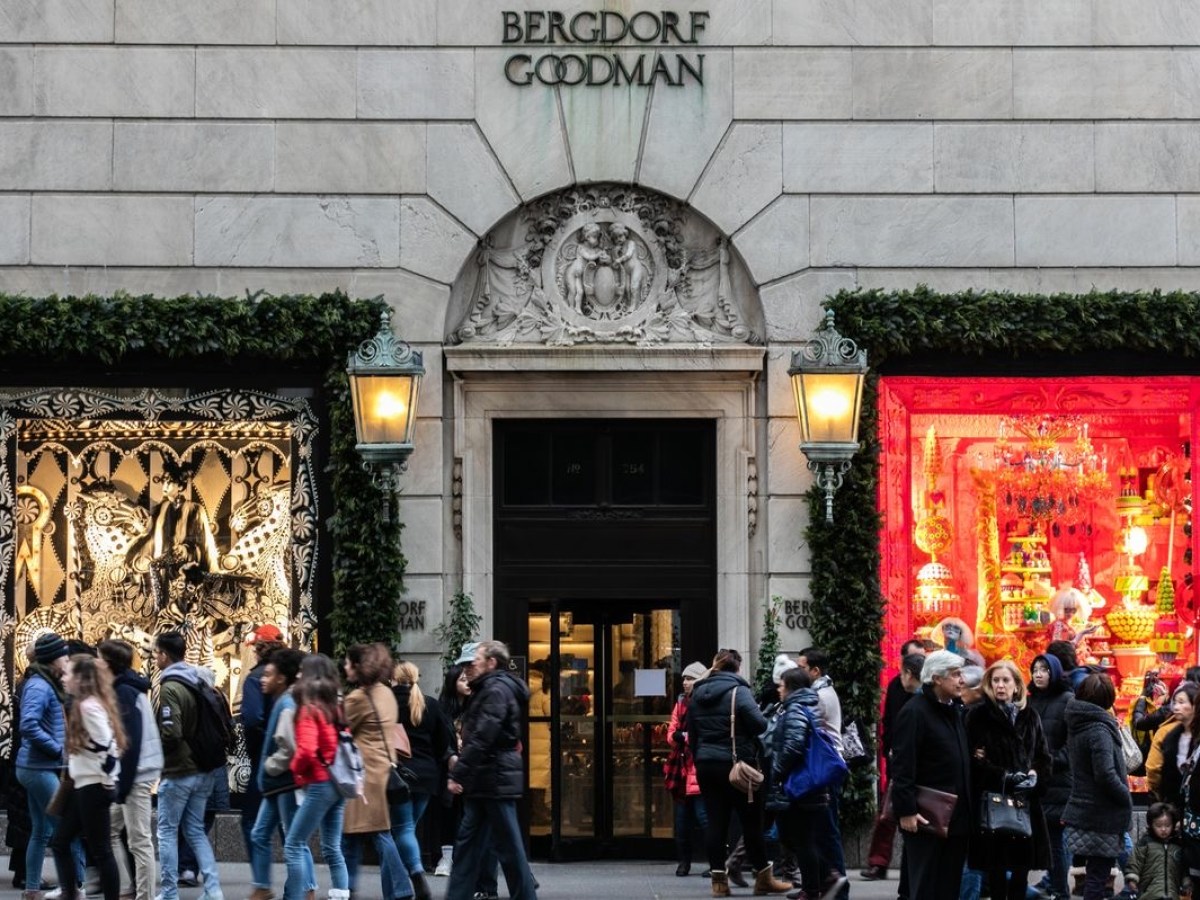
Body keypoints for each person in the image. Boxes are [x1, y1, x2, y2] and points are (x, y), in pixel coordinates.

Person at [689, 648, 791, 898]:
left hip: (706, 765)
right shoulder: (739, 691)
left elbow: (692, 733)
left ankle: (719, 883)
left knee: (716, 822)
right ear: (736, 668)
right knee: (752, 822)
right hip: (737, 766)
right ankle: (763, 877)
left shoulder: (697, 692)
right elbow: (760, 725)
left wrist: (702, 755)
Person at [445, 640, 538, 900]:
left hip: (494, 779)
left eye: (475, 661)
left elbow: (483, 737)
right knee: (469, 846)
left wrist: (458, 773)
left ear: (491, 662)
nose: (469, 667)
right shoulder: (490, 688)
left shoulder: (496, 691)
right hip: (486, 779)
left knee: (507, 848)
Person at [965, 660, 1051, 900]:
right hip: (994, 803)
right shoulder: (978, 716)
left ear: (1016, 685)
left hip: (1025, 802)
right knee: (996, 871)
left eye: (1005, 680)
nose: (1000, 686)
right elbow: (973, 761)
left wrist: (1035, 775)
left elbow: (1043, 756)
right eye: (995, 681)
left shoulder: (1030, 715)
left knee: (1022, 870)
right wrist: (1004, 777)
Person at [890, 649, 972, 900]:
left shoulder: (954, 709)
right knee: (925, 885)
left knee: (949, 885)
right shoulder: (915, 711)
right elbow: (902, 766)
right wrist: (905, 810)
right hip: (926, 817)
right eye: (956, 674)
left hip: (956, 818)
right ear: (937, 678)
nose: (962, 680)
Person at [49, 654, 126, 900]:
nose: (64, 677)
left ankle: (74, 893)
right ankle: (71, 893)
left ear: (81, 679)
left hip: (94, 786)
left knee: (100, 849)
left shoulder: (88, 706)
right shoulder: (90, 703)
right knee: (62, 842)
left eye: (69, 673)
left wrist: (106, 776)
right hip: (88, 784)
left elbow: (107, 745)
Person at [153, 630, 223, 900]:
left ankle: (169, 892)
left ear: (165, 655)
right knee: (195, 829)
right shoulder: (198, 681)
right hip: (205, 768)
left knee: (167, 831)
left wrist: (159, 755)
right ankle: (213, 889)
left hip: (180, 770)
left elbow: (171, 732)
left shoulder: (171, 686)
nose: (154, 658)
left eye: (156, 653)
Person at [341, 643, 412, 900]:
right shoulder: (385, 693)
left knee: (363, 834)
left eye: (349, 662)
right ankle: (350, 889)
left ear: (359, 667)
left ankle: (348, 889)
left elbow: (338, 724)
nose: (345, 666)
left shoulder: (359, 698)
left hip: (362, 774)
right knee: (368, 833)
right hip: (382, 768)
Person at [99, 639, 162, 900]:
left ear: (109, 663)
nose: (96, 663)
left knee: (139, 840)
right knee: (111, 832)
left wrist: (122, 786)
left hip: (136, 776)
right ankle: (127, 888)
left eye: (99, 658)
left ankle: (143, 895)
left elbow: (130, 742)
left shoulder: (124, 692)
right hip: (131, 774)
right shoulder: (125, 688)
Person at [248, 647, 313, 900]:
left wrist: (269, 766)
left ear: (282, 678)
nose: (263, 679)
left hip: (284, 783)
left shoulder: (286, 703)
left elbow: (290, 748)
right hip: (278, 785)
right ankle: (264, 887)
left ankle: (301, 892)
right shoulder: (285, 700)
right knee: (261, 834)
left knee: (293, 844)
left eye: (269, 674)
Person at [1063, 672, 1132, 900]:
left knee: (1095, 873)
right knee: (1098, 876)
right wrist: (1125, 796)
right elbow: (1105, 774)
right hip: (1103, 813)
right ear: (1108, 699)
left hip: (1085, 807)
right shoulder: (1099, 729)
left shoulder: (1078, 723)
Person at [286, 653, 350, 900]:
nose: (298, 675)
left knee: (294, 844)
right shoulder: (335, 706)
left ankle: (296, 896)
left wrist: (296, 770)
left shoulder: (309, 708)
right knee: (332, 847)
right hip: (338, 781)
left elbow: (306, 750)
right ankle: (341, 895)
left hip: (320, 782)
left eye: (302, 671)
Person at [861, 640, 925, 882]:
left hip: (921, 765)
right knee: (888, 815)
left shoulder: (929, 692)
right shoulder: (897, 686)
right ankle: (878, 862)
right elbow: (888, 721)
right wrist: (888, 749)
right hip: (900, 760)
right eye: (913, 660)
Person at [391, 660, 453, 900]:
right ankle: (404, 880)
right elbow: (443, 742)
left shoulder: (388, 704)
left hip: (399, 774)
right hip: (427, 776)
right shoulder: (430, 704)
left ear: (393, 679)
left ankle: (414, 875)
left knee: (402, 829)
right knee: (408, 827)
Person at [17, 632, 72, 900]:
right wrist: (57, 748)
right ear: (52, 658)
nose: (67, 658)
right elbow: (28, 724)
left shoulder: (47, 682)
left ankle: (31, 890)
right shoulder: (40, 685)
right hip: (38, 767)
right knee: (65, 827)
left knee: (41, 830)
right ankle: (75, 887)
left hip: (37, 766)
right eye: (63, 654)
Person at [767, 666, 828, 900]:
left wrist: (776, 771)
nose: (778, 689)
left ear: (791, 687)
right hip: (807, 784)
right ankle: (816, 884)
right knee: (800, 838)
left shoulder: (796, 709)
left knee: (801, 839)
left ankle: (813, 888)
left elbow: (793, 745)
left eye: (781, 685)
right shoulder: (808, 705)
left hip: (800, 786)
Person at [796, 648, 847, 899]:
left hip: (824, 769)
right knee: (817, 831)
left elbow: (805, 727)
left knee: (827, 831)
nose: (798, 671)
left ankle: (839, 888)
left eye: (802, 667)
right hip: (822, 767)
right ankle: (816, 886)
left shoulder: (820, 695)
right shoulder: (818, 692)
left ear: (815, 671)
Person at [1027, 652, 1073, 900]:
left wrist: (1049, 762)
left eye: (1044, 669)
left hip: (1058, 782)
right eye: (1035, 669)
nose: (1038, 673)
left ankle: (1060, 890)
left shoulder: (1067, 700)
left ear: (1054, 672)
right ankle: (1052, 886)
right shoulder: (1030, 701)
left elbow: (1071, 745)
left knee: (1055, 839)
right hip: (1035, 782)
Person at [240, 623, 284, 860]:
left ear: (259, 648)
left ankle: (261, 879)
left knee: (251, 820)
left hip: (265, 758)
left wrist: (259, 749)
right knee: (289, 827)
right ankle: (304, 886)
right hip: (289, 755)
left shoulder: (256, 678)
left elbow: (253, 718)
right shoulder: (287, 677)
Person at [668, 661, 710, 877]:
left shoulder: (707, 703)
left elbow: (703, 734)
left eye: (690, 679)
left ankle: (716, 863)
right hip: (683, 771)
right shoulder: (680, 704)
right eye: (684, 678)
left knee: (705, 819)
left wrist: (683, 736)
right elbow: (671, 734)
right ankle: (683, 862)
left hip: (700, 770)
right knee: (682, 822)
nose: (685, 683)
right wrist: (681, 737)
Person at [1122, 802, 1189, 899]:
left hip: (1172, 893)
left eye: (1167, 825)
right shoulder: (1146, 842)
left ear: (1173, 825)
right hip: (1149, 893)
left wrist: (1186, 882)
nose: (1163, 829)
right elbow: (1135, 861)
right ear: (1151, 825)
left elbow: (1183, 868)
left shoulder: (1177, 845)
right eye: (1158, 826)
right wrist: (1132, 877)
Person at [1147, 682, 1198, 804]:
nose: (1176, 707)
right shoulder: (1169, 735)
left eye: (1181, 702)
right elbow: (1154, 769)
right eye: (1174, 702)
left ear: (1195, 706)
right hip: (1173, 804)